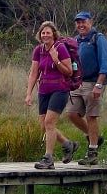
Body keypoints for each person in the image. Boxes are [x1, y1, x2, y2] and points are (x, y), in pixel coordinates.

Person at [25, 21, 76, 169]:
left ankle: (48, 158)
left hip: (60, 89)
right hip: (43, 90)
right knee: (44, 125)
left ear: (54, 34)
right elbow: (34, 73)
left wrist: (56, 59)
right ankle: (68, 144)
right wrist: (28, 94)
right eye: (43, 33)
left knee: (49, 123)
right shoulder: (38, 50)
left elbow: (69, 71)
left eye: (48, 32)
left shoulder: (61, 48)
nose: (45, 35)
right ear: (40, 35)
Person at [66, 11, 107, 166]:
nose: (81, 25)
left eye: (83, 22)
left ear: (90, 22)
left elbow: (105, 62)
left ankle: (92, 152)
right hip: (77, 82)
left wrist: (99, 84)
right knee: (72, 113)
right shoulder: (76, 41)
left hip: (93, 82)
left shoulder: (98, 39)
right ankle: (95, 137)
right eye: (78, 22)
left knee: (91, 116)